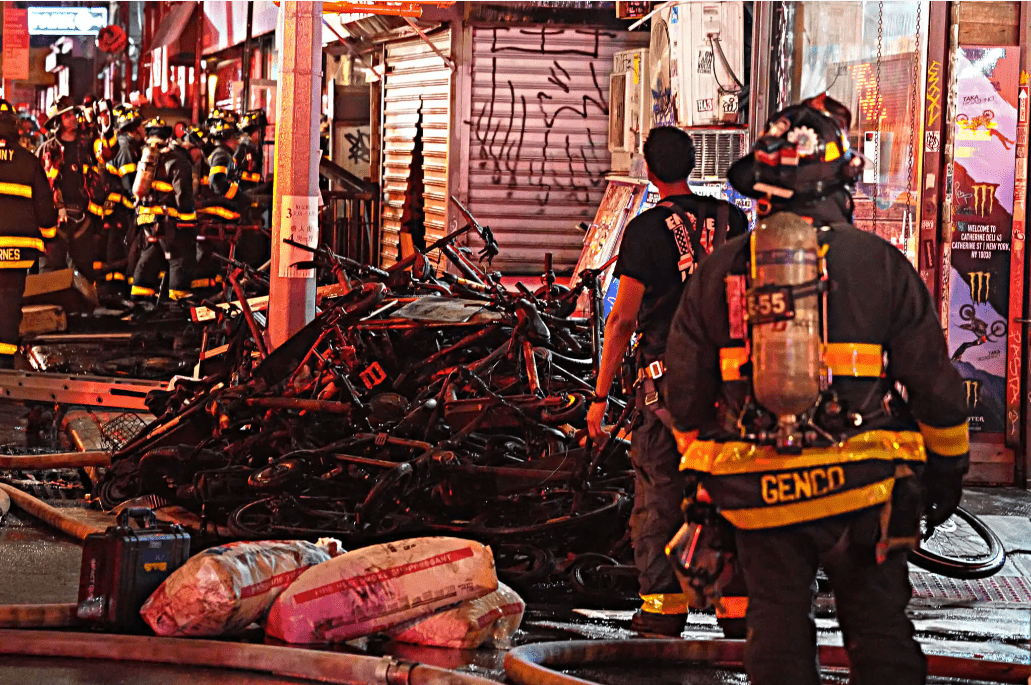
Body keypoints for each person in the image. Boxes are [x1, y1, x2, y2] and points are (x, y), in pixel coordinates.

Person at [663, 94, 969, 684]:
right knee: (879, 631)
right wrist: (946, 475)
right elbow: (936, 390)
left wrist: (704, 484)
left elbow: (685, 401)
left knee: (774, 626)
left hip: (758, 494)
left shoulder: (719, 271)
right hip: (864, 492)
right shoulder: (881, 263)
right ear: (840, 180)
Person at [585, 126, 749, 637]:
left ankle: (664, 607)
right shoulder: (734, 220)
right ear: (693, 163)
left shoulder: (646, 230)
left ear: (648, 170)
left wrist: (600, 395)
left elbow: (623, 320)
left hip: (667, 385)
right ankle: (737, 609)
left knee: (660, 489)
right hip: (734, 383)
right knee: (732, 488)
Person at [0, 99, 58, 368]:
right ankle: (4, 359)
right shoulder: (29, 161)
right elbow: (45, 206)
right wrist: (49, 236)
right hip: (18, 252)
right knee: (10, 302)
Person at [130, 117, 197, 303]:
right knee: (179, 259)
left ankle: (139, 300)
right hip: (169, 223)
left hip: (148, 222)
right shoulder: (178, 160)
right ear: (168, 137)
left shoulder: (145, 160)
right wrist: (189, 225)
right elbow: (183, 197)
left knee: (150, 257)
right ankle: (179, 303)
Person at [37, 96, 99, 281]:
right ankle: (50, 306)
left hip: (83, 217)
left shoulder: (87, 147)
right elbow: (39, 186)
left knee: (84, 268)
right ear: (58, 122)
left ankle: (82, 308)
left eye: (73, 114)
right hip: (55, 219)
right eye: (67, 116)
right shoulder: (46, 150)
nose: (73, 118)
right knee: (50, 268)